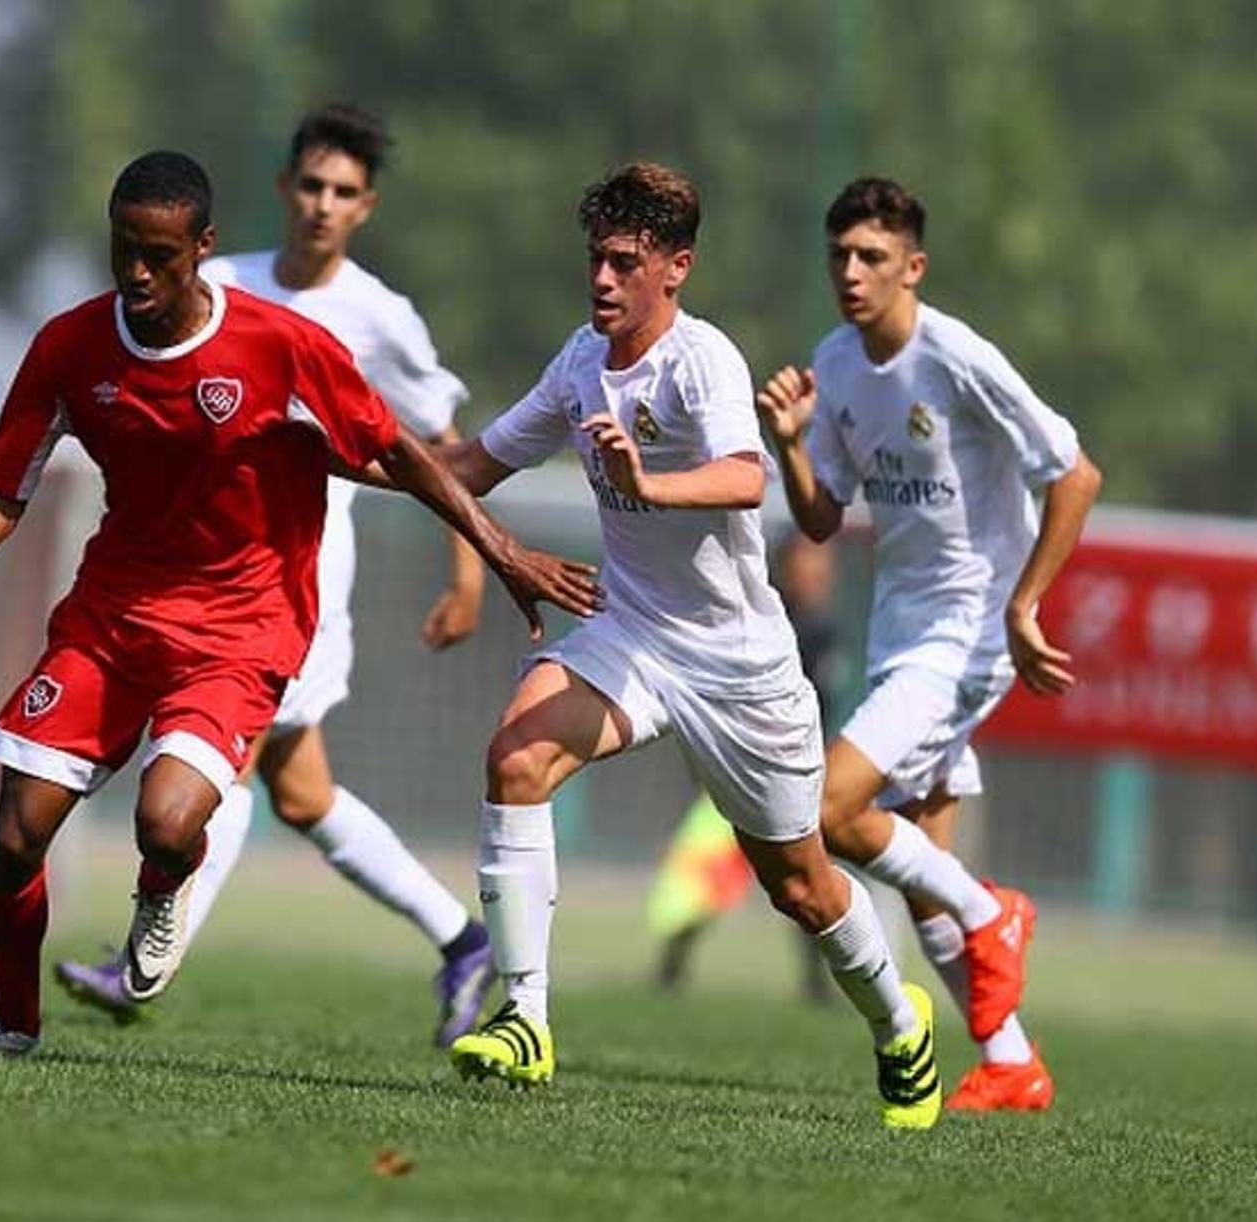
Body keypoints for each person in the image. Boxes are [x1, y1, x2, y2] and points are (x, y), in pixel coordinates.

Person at [0, 150, 600, 1058]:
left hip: (243, 627)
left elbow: (402, 451)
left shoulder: (280, 345)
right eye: (123, 248)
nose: (137, 271)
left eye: (159, 255)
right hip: (110, 619)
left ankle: (163, 894)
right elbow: (3, 488)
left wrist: (500, 552)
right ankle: (13, 1028)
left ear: (201, 248)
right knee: (15, 840)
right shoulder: (69, 346)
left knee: (169, 820)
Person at [434, 162, 943, 1129]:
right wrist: (337, 450)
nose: (603, 280)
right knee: (516, 757)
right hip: (634, 636)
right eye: (596, 259)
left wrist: (644, 482)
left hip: (741, 667)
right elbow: (472, 467)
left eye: (626, 263)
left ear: (676, 267)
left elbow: (746, 478)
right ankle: (525, 1019)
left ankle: (897, 1024)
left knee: (801, 886)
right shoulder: (577, 362)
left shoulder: (701, 360)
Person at [53, 106, 499, 1047]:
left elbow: (441, 445)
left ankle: (141, 970)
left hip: (295, 578)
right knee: (298, 793)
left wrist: (468, 575)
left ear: (365, 207)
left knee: (231, 766)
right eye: (310, 186)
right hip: (200, 573)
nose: (322, 206)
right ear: (285, 189)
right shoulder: (219, 282)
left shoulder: (380, 318)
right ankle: (461, 937)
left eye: (343, 193)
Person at [756, 176, 1102, 1112]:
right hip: (902, 630)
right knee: (918, 867)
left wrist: (1025, 606)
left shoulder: (955, 357)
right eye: (839, 255)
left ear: (913, 266)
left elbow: (1074, 474)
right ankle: (1010, 1060)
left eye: (872, 257)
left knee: (830, 808)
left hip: (970, 629)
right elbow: (822, 521)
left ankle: (996, 915)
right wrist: (790, 443)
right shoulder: (835, 363)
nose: (851, 272)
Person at [646, 535, 844, 996]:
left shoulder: (825, 630)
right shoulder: (764, 624)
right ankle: (672, 963)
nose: (817, 576)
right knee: (708, 876)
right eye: (808, 566)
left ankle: (817, 980)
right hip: (741, 768)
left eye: (822, 568)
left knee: (804, 880)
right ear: (784, 569)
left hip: (796, 777)